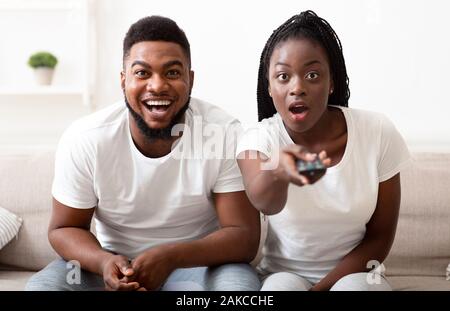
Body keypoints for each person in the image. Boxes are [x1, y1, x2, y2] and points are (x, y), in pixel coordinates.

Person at [26, 15, 261, 291]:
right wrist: (104, 262)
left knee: (237, 290)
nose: (157, 85)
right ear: (124, 80)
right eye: (142, 73)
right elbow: (64, 229)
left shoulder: (223, 133)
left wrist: (171, 257)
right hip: (112, 265)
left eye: (172, 72)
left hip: (195, 266)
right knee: (45, 287)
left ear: (191, 79)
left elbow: (243, 236)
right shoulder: (86, 139)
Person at [236, 10, 410, 291]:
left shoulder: (377, 131)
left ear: (332, 83)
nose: (297, 88)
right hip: (283, 275)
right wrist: (279, 170)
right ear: (268, 87)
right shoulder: (257, 139)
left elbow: (380, 237)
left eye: (312, 74)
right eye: (283, 76)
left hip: (357, 274)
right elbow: (264, 201)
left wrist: (321, 289)